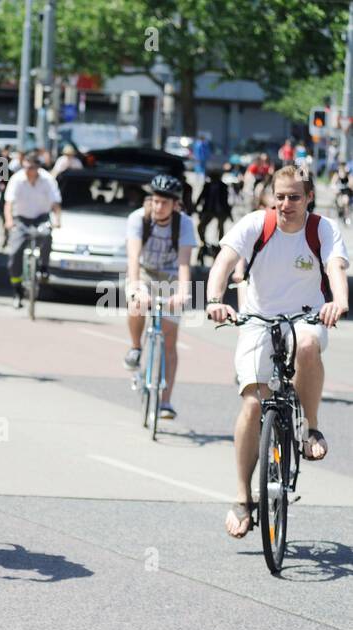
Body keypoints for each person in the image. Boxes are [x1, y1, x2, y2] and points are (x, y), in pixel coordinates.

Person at [206, 164, 348, 538]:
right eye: (280, 196)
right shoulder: (256, 224)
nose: (286, 204)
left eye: (295, 197)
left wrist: (339, 301)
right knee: (253, 404)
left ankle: (311, 429)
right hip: (257, 318)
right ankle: (242, 496)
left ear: (309, 198)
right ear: (271, 196)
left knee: (307, 343)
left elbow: (335, 267)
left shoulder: (322, 229)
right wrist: (214, 299)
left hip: (306, 315)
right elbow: (223, 262)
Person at [122, 174, 197, 419]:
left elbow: (185, 262)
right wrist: (135, 288)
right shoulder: (138, 219)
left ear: (175, 204)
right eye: (154, 201)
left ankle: (165, 402)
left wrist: (183, 291)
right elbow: (133, 258)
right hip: (144, 272)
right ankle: (135, 347)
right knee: (137, 304)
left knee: (169, 339)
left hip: (171, 277)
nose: (158, 207)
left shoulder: (184, 224)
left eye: (164, 203)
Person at [3, 152, 62, 307]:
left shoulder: (48, 180)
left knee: (47, 235)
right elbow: (8, 203)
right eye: (27, 167)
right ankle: (17, 289)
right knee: (15, 252)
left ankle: (43, 266)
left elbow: (55, 202)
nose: (29, 171)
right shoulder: (17, 179)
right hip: (21, 218)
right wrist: (9, 221)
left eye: (33, 168)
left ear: (38, 168)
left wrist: (57, 220)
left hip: (41, 217)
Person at [193, 164, 234, 254]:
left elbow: (226, 201)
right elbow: (201, 196)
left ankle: (219, 246)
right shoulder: (207, 186)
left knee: (220, 228)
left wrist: (228, 213)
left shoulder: (223, 186)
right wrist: (195, 206)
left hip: (220, 211)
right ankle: (203, 242)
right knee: (200, 226)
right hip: (209, 210)